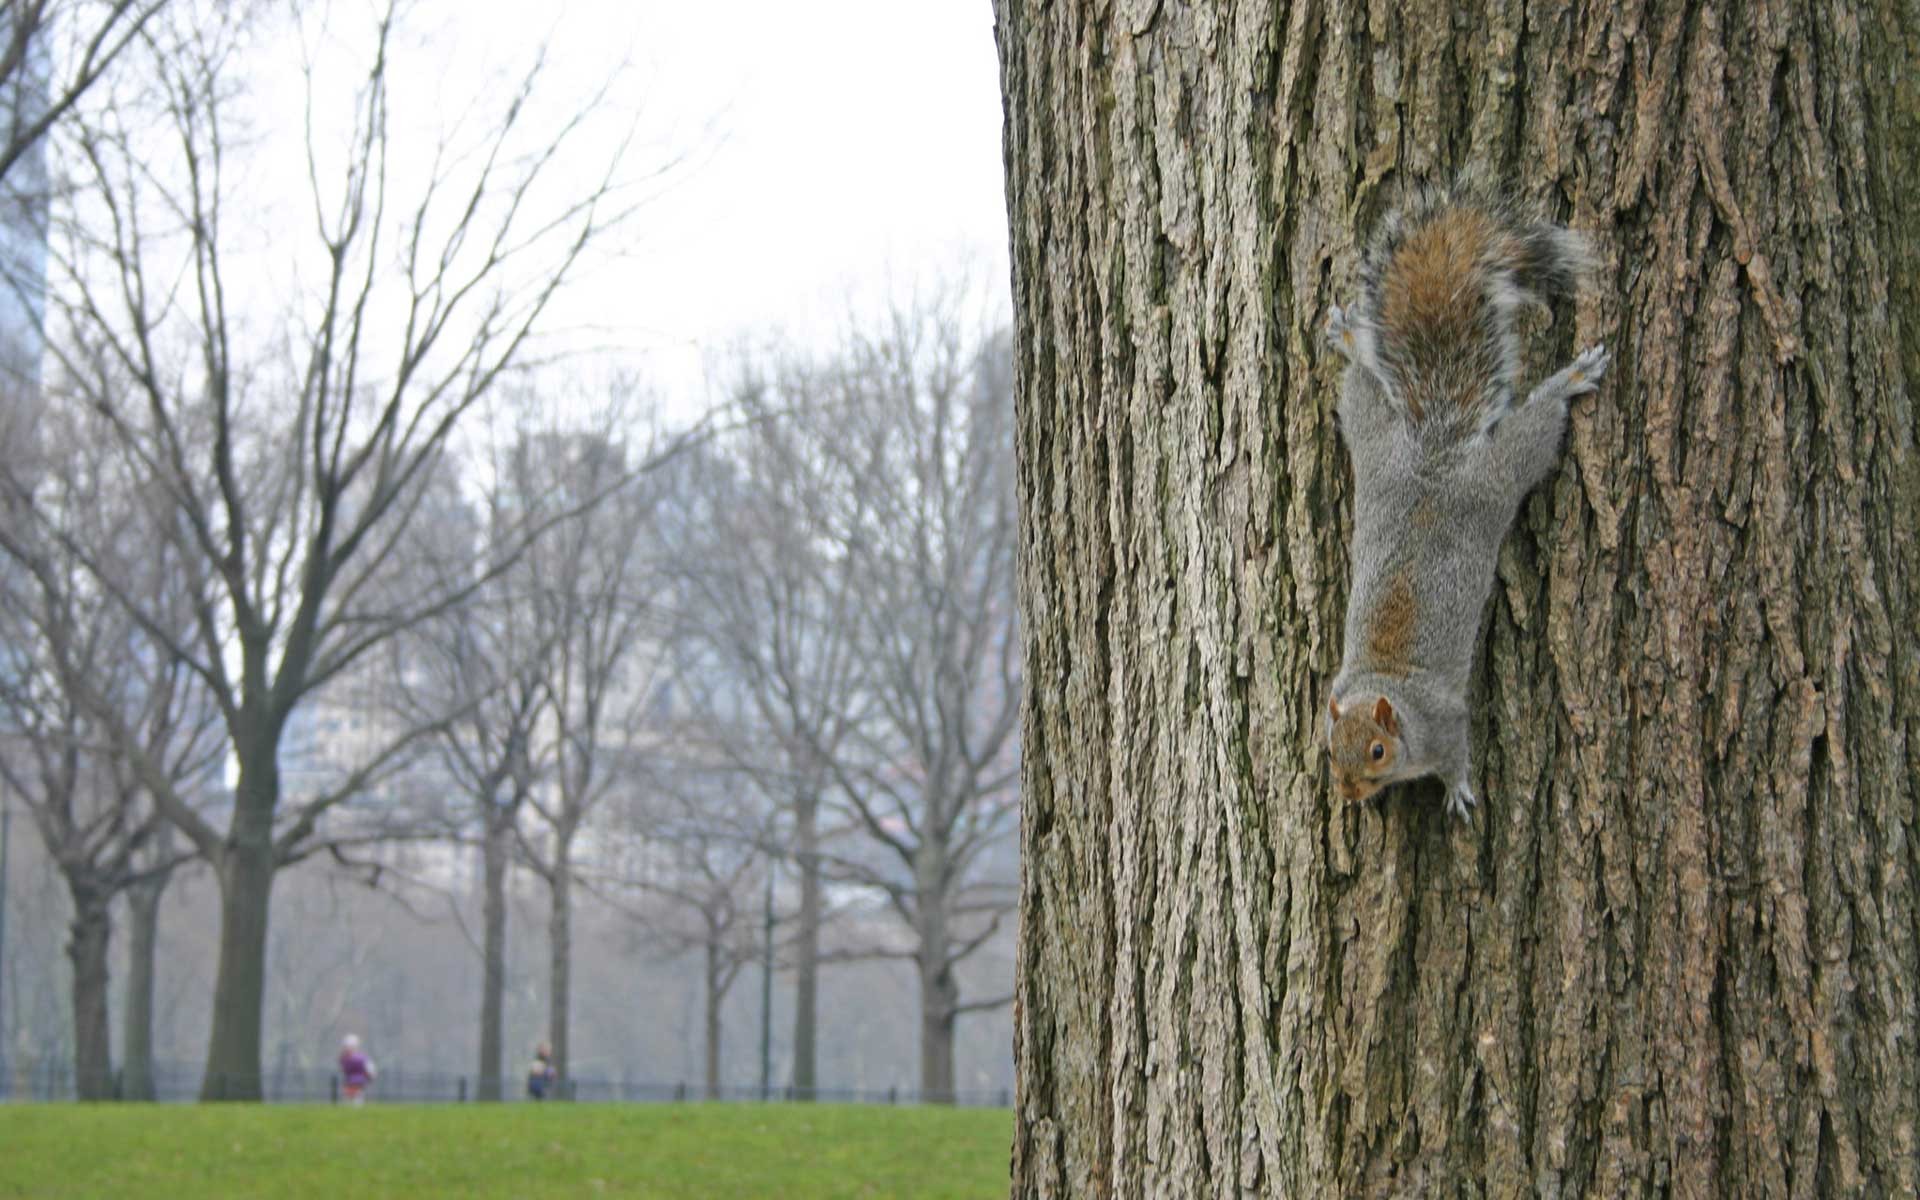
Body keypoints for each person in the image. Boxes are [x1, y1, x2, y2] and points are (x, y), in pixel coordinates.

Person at [339, 1034, 377, 1106]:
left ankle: (356, 1105)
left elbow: (369, 1069)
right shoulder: (345, 1058)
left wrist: (370, 1075)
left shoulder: (360, 1058)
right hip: (351, 1079)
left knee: (355, 1094)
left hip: (357, 1079)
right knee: (350, 1095)